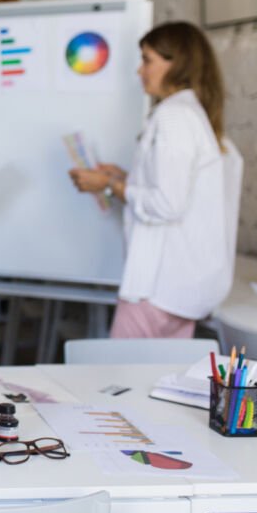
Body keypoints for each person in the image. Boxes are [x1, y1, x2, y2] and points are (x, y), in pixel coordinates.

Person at [69, 21, 242, 339]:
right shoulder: (195, 114)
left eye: (147, 60)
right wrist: (124, 176)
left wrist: (108, 185)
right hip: (186, 286)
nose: (139, 70)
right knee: (159, 383)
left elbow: (166, 204)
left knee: (113, 383)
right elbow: (179, 186)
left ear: (175, 63)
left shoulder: (173, 116)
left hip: (160, 285)